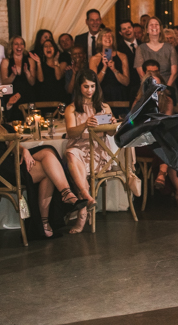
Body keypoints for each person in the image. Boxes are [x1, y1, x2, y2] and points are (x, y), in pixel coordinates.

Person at [0, 88, 87, 238]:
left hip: (8, 165)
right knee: (48, 169)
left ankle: (63, 197)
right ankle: (54, 210)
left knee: (48, 152)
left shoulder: (3, 126)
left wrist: (23, 150)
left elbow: (13, 145)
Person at [64, 69, 117, 233]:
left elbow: (111, 133)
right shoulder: (71, 108)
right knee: (71, 153)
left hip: (98, 150)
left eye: (93, 86)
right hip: (79, 147)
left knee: (74, 161)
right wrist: (85, 124)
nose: (89, 90)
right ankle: (86, 199)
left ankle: (83, 209)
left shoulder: (104, 106)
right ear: (79, 87)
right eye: (86, 86)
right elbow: (70, 132)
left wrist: (112, 124)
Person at [131, 72, 178, 207]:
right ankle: (176, 189)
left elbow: (166, 124)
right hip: (143, 143)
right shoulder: (139, 102)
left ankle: (163, 175)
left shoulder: (168, 101)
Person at [0, 35, 37, 121]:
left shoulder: (30, 60)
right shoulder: (6, 61)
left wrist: (27, 72)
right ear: (11, 46)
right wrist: (13, 75)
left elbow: (32, 82)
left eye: (21, 44)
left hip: (27, 97)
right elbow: (4, 82)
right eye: (16, 44)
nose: (19, 46)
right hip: (12, 98)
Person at [90, 29, 130, 106]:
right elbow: (93, 83)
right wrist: (104, 68)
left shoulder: (122, 56)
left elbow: (126, 82)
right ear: (100, 39)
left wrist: (114, 70)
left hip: (120, 95)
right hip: (102, 96)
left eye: (110, 36)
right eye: (105, 36)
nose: (108, 38)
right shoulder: (94, 59)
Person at [135, 17, 177, 87]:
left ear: (160, 29)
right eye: (151, 25)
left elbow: (174, 72)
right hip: (148, 88)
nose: (154, 26)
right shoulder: (140, 49)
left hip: (168, 87)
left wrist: (165, 89)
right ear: (147, 30)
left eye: (156, 24)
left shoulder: (169, 47)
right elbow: (141, 73)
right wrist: (152, 89)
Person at [117, 19, 141, 103]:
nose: (127, 30)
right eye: (124, 29)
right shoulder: (118, 49)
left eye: (129, 27)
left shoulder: (143, 45)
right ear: (120, 33)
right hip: (128, 89)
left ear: (133, 29)